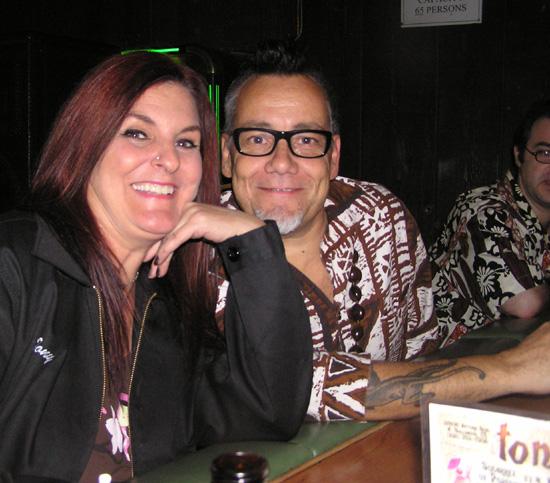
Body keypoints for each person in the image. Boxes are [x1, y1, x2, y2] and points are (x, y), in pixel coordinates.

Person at [150, 41, 550, 423]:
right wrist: (509, 370)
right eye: (258, 139)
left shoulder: (382, 216)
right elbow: (296, 388)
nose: (282, 162)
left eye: (306, 140)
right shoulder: (194, 259)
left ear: (333, 156)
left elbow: (422, 349)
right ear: (226, 155)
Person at [0, 52, 313, 482]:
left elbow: (269, 414)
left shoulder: (165, 310)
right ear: (84, 145)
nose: (168, 159)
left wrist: (251, 241)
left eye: (186, 143)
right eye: (137, 133)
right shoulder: (15, 263)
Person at [430, 100, 550, 346]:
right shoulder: (483, 210)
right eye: (544, 153)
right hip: (440, 362)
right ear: (519, 155)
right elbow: (524, 304)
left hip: (496, 356)